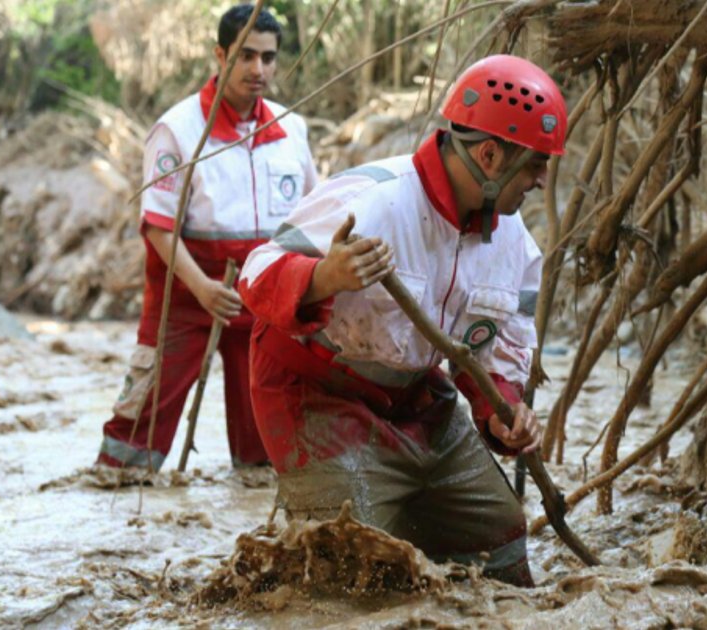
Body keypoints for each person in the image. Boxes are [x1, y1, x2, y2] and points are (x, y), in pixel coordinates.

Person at [238, 54, 565, 586]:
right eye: (534, 164)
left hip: (414, 397)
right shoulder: (372, 199)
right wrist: (325, 276)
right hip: (315, 393)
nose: (541, 178)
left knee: (501, 536)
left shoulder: (516, 248)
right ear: (488, 154)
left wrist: (502, 411)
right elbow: (257, 273)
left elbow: (494, 355)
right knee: (356, 562)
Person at [96, 4, 317, 470]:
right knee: (134, 441)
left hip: (260, 301)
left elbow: (312, 217)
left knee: (263, 450)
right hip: (185, 296)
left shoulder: (292, 130)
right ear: (221, 54)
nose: (258, 69)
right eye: (246, 56)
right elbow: (157, 225)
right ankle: (116, 500)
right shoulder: (178, 130)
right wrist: (203, 289)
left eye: (268, 58)